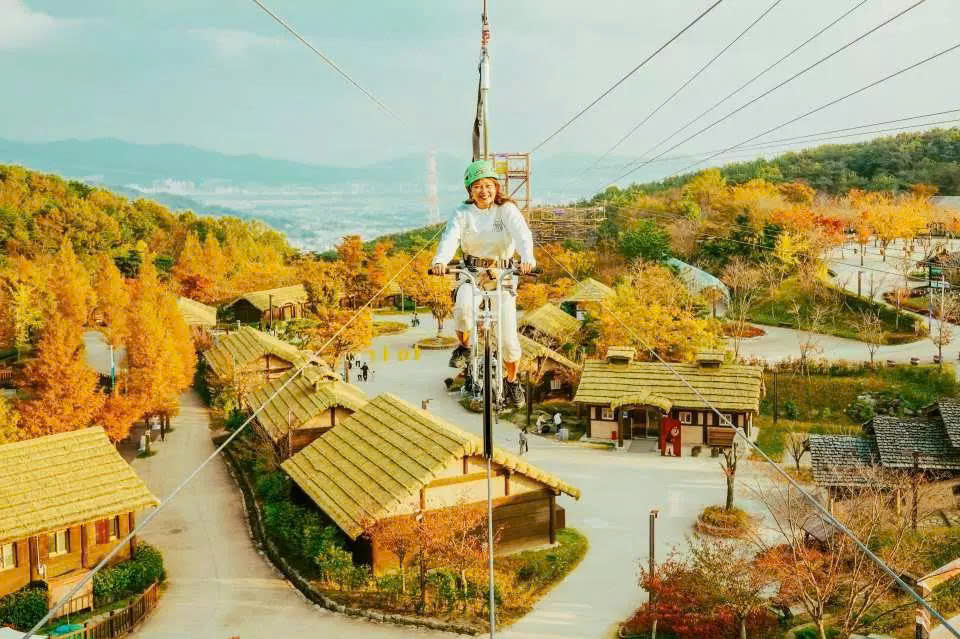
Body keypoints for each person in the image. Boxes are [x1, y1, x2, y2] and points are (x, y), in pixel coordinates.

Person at [431, 159, 535, 408]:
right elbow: (450, 237)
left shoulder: (507, 209)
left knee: (508, 340)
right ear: (470, 190)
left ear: (496, 187)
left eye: (488, 185)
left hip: (502, 274)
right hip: (472, 272)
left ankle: (511, 381)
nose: (483, 191)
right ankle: (465, 347)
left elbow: (522, 234)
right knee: (463, 309)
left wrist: (527, 258)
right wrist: (440, 260)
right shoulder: (463, 212)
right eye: (477, 186)